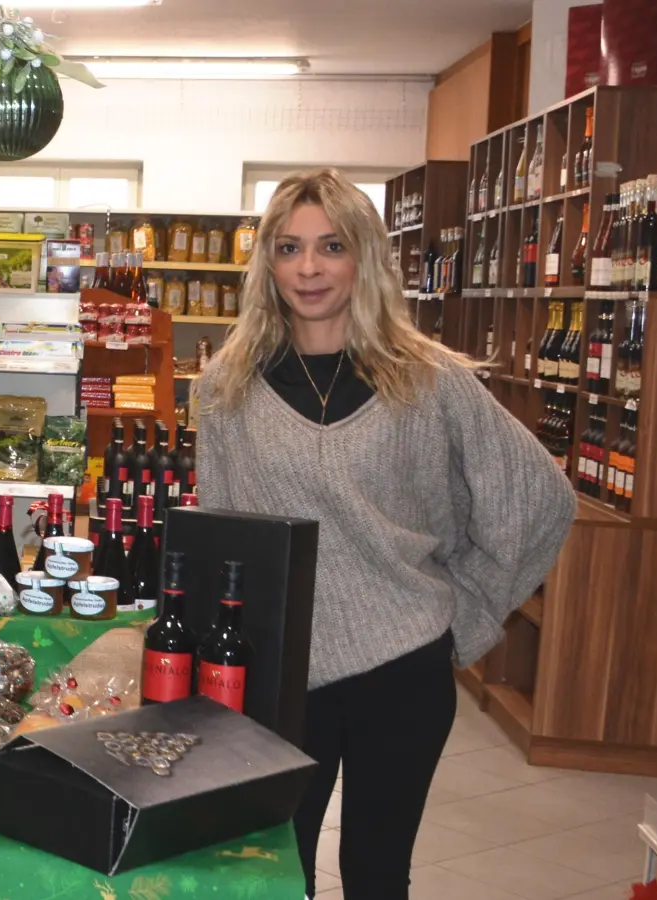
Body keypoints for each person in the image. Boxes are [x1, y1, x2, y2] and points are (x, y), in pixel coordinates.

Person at [188, 169, 573, 899]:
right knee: (271, 875)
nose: (308, 268)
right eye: (289, 247)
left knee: (375, 873)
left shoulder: (430, 381)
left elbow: (537, 497)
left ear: (364, 256)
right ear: (266, 261)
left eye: (331, 246)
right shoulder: (226, 386)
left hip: (403, 673)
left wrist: (465, 607)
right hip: (278, 675)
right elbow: (223, 534)